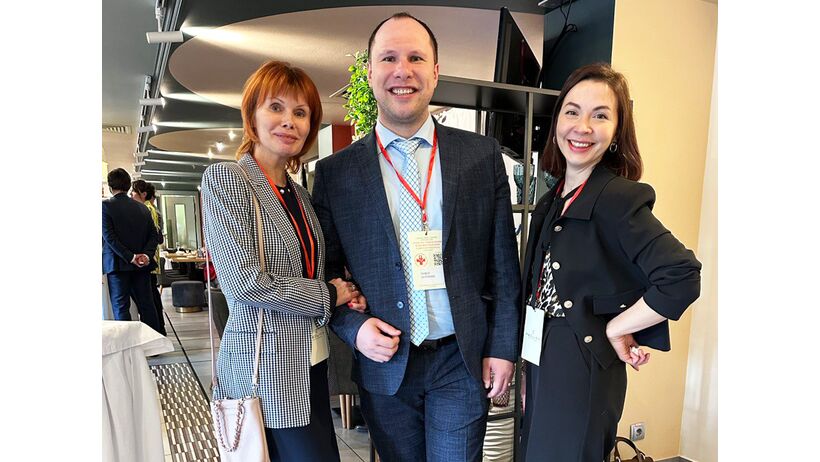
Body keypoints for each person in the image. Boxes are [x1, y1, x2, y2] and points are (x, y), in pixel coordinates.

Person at [312, 12, 521, 461]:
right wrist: (354, 328)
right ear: (370, 73)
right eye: (388, 58)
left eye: (416, 58)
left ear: (435, 71)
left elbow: (504, 264)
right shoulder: (335, 174)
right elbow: (324, 271)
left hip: (460, 359)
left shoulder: (480, 156)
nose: (402, 71)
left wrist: (504, 348)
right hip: (385, 362)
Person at [518, 63, 702, 461]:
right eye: (572, 111)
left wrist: (618, 327)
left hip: (580, 361)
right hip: (542, 352)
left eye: (600, 116)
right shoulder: (553, 199)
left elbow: (682, 275)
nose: (582, 127)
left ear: (617, 132)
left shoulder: (618, 198)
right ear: (557, 121)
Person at [200, 60, 360, 462]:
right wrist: (328, 294)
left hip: (312, 361)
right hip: (265, 370)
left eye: (301, 113)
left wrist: (347, 291)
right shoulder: (228, 180)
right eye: (276, 107)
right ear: (252, 115)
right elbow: (245, 283)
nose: (289, 121)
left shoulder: (300, 194)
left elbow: (311, 268)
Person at [102, 168, 165, 335]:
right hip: (142, 265)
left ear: (110, 187)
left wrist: (130, 257)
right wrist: (145, 255)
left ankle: (128, 344)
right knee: (147, 305)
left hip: (117, 265)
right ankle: (152, 342)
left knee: (121, 307)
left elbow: (109, 238)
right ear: (129, 186)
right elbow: (154, 236)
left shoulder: (105, 207)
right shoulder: (143, 208)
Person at [131, 179, 166, 334]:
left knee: (150, 298)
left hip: (147, 259)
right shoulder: (151, 208)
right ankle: (160, 329)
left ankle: (157, 331)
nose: (131, 195)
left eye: (134, 192)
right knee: (152, 296)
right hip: (151, 258)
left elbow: (152, 236)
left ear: (143, 194)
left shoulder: (146, 209)